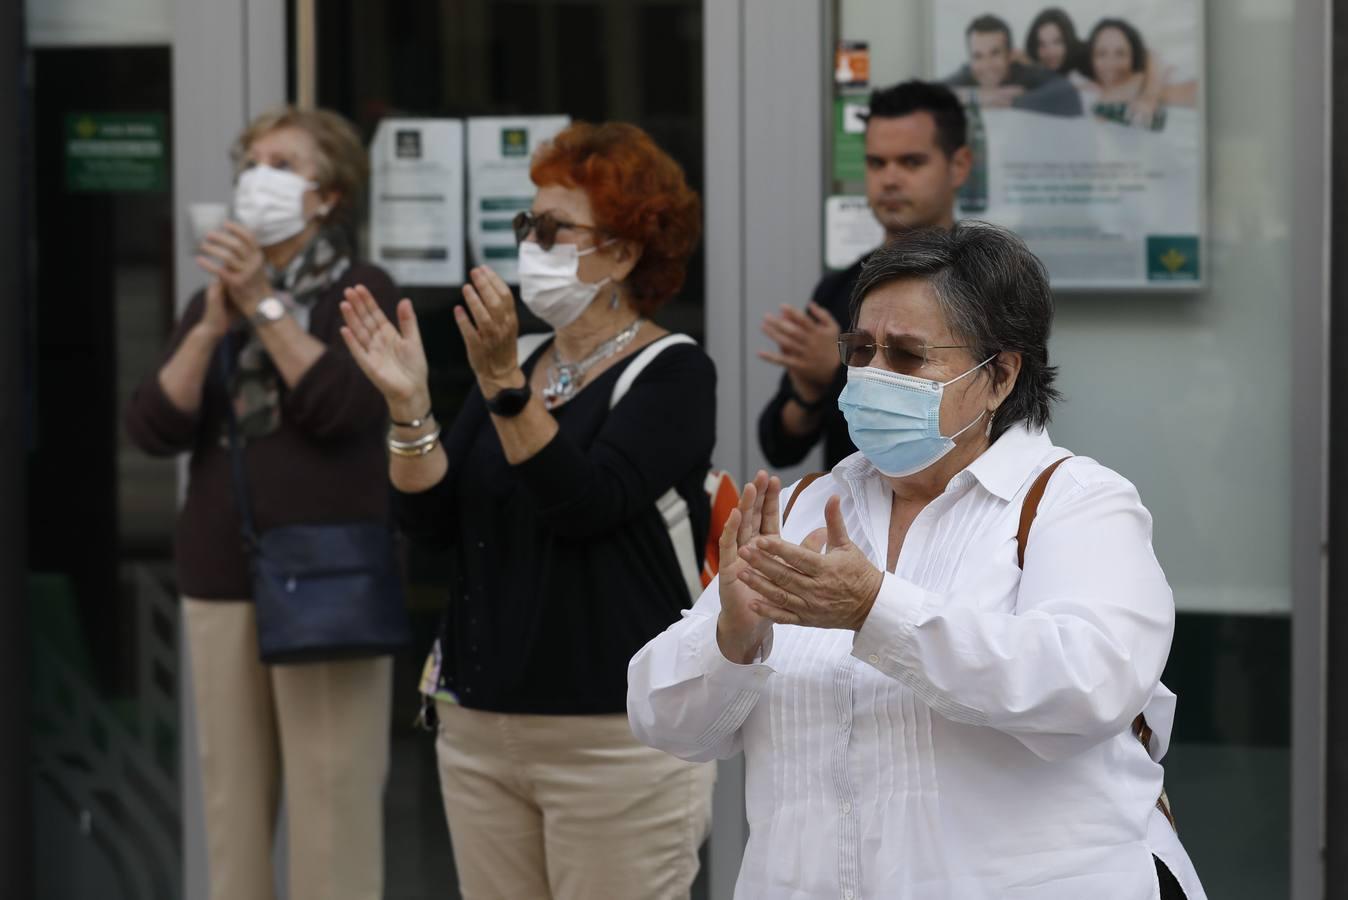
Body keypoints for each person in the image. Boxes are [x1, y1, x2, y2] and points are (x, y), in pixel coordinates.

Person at [629, 223, 1207, 900]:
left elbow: (1088, 685)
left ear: (1000, 375)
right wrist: (733, 636)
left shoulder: (1076, 502)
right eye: (861, 350)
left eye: (907, 357)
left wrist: (875, 610)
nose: (873, 375)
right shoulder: (799, 510)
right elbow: (664, 721)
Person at [339, 121, 716, 900]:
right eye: (526, 224)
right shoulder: (527, 366)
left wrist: (505, 384)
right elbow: (433, 526)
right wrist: (411, 412)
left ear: (622, 250)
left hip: (612, 738)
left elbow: (583, 503)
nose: (532, 244)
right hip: (479, 725)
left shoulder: (671, 373)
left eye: (555, 228)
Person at [125, 107, 398, 900]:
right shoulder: (214, 298)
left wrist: (266, 306)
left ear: (327, 194)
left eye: (281, 161)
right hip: (222, 575)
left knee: (332, 816)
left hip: (327, 582)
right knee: (232, 815)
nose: (257, 174)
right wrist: (214, 324)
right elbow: (152, 425)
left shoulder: (359, 288)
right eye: (250, 159)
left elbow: (341, 405)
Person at [757, 80, 970, 471]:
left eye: (911, 162)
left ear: (958, 166)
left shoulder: (987, 282)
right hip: (854, 520)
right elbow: (779, 445)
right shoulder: (840, 289)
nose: (889, 179)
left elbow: (997, 414)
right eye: (876, 163)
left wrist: (836, 371)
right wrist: (809, 391)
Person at [944, 14, 1083, 117]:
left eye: (995, 53)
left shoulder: (1025, 72)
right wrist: (979, 97)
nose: (987, 65)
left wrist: (1009, 101)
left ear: (1010, 55)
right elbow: (926, 94)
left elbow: (1067, 93)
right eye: (978, 56)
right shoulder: (969, 72)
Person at [1082, 18, 1198, 130]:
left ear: (1134, 56)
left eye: (1120, 53)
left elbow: (1149, 56)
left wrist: (1149, 94)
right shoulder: (1088, 89)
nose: (1110, 63)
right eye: (1101, 54)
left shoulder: (1148, 78)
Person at [1024, 7, 1089, 77]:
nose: (1050, 52)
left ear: (1069, 39)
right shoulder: (1034, 70)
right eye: (1042, 44)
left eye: (1057, 42)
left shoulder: (1089, 61)